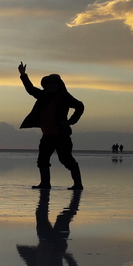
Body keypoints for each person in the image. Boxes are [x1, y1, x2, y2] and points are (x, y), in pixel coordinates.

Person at [18, 62, 84, 190]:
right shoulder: (43, 95)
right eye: (49, 83)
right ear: (46, 85)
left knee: (66, 160)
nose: (52, 85)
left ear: (59, 85)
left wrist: (70, 121)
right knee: (42, 160)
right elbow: (30, 90)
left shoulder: (64, 96)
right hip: (47, 135)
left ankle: (78, 184)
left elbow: (80, 106)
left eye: (54, 83)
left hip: (61, 135)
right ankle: (45, 183)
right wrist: (23, 75)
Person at [12, 189, 81, 266]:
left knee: (44, 214)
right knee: (62, 216)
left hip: (46, 240)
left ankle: (46, 191)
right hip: (57, 241)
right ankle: (75, 194)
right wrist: (66, 255)